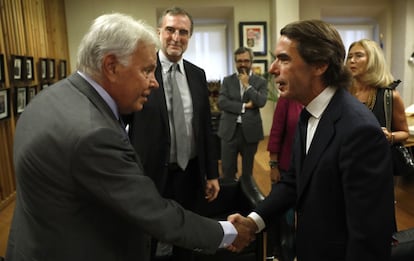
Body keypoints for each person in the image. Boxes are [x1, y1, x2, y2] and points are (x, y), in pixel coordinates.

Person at [5, 13, 254, 261]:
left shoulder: (50, 98)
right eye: (146, 71)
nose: (153, 82)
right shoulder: (93, 135)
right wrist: (230, 232)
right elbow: (154, 214)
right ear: (111, 66)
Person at [228, 19, 396, 261]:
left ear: (319, 65)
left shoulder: (359, 131)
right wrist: (252, 222)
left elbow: (368, 237)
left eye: (284, 59)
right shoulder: (308, 114)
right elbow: (294, 182)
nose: (273, 69)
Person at [123, 7, 220, 261]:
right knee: (149, 238)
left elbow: (205, 128)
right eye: (170, 30)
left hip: (191, 172)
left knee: (186, 235)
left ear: (190, 36)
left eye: (183, 32)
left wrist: (212, 173)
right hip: (151, 173)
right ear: (159, 32)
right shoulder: (141, 71)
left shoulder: (198, 75)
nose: (176, 37)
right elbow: (123, 124)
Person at [346, 39, 409, 156]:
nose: (352, 61)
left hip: (378, 161)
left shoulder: (389, 96)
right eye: (349, 57)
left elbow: (405, 133)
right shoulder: (343, 93)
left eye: (358, 56)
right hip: (347, 158)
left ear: (373, 60)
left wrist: (390, 136)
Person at [217, 47, 267, 181]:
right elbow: (222, 102)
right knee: (227, 171)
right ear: (235, 62)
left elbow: (261, 101)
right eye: (239, 61)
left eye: (246, 61)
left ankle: (246, 200)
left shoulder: (260, 82)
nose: (243, 64)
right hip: (229, 131)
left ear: (251, 62)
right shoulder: (227, 80)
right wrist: (245, 106)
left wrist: (247, 86)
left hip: (250, 132)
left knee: (247, 173)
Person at [266, 96, 302, 261]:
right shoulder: (286, 99)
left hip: (312, 171)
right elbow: (276, 133)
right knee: (284, 221)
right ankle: (282, 254)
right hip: (286, 170)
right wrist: (273, 165)